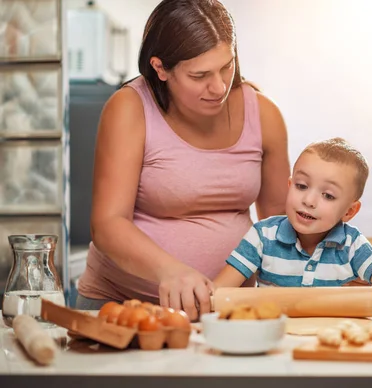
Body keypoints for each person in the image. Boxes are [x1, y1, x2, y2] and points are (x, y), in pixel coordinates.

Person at [75, 0, 290, 321]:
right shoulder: (130, 108)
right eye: (200, 74)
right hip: (124, 308)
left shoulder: (264, 114)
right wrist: (171, 271)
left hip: (229, 312)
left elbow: (281, 228)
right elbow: (107, 224)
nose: (218, 87)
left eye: (226, 66)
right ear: (160, 68)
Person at [214, 138, 372, 310]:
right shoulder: (262, 236)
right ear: (289, 185)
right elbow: (218, 292)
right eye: (301, 186)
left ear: (349, 211)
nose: (309, 200)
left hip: (332, 343)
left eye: (328, 196)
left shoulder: (352, 245)